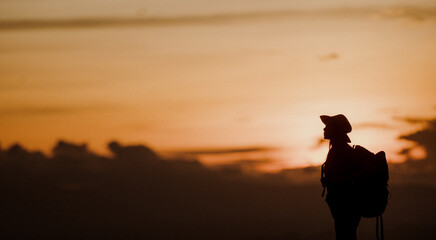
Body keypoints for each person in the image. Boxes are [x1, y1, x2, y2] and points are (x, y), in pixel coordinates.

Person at [320, 114, 362, 240]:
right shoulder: (337, 150)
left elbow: (368, 171)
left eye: (328, 126)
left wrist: (342, 180)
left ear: (336, 130)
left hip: (347, 208)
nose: (324, 129)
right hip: (343, 207)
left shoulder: (344, 151)